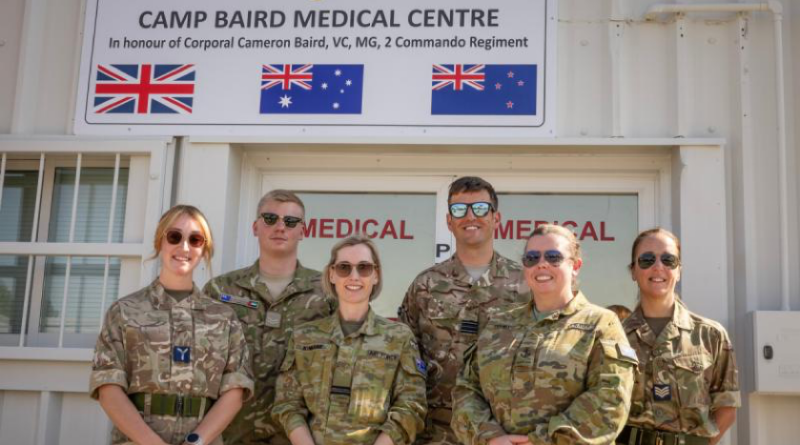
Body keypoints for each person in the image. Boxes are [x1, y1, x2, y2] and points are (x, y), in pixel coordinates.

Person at [452, 224, 638, 445]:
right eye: (532, 258)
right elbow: (467, 389)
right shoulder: (498, 324)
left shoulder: (601, 324)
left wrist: (542, 441)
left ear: (575, 266)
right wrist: (490, 437)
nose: (541, 264)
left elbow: (610, 399)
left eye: (553, 257)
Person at [90, 205, 254, 445]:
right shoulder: (124, 312)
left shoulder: (223, 318)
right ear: (160, 242)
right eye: (174, 236)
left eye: (195, 240)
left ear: (204, 249)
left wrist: (195, 442)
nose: (184, 247)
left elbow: (235, 391)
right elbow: (108, 387)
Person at [398, 176, 529, 445]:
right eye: (459, 210)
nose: (470, 216)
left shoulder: (525, 285)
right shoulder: (425, 285)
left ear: (496, 218)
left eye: (480, 208)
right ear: (449, 221)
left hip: (502, 432)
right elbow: (404, 361)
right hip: (437, 433)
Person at [204, 190, 336, 444]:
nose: (280, 227)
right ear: (255, 227)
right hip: (232, 433)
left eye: (290, 221)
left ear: (303, 231)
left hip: (302, 435)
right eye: (270, 218)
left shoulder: (327, 292)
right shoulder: (220, 290)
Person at [273, 235, 427, 445]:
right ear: (332, 274)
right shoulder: (305, 336)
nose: (354, 276)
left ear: (375, 275)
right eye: (344, 268)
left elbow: (411, 406)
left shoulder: (398, 338)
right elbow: (287, 404)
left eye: (364, 268)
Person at [618, 228, 740, 445]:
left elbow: (727, 408)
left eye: (668, 260)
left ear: (679, 271)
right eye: (647, 260)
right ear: (633, 271)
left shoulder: (710, 336)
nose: (658, 266)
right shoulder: (614, 336)